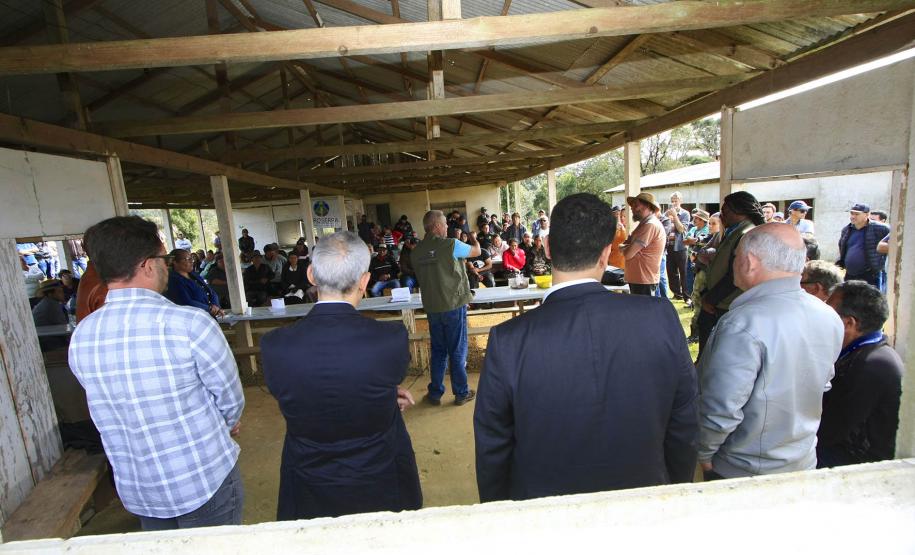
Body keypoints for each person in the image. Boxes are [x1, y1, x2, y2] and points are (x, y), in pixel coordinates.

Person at [474, 193, 697, 502]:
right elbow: (684, 422)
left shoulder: (508, 340)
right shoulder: (659, 317)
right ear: (607, 254)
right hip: (645, 500)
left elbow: (493, 447)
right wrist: (672, 487)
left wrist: (501, 513)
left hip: (543, 512)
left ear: (548, 247)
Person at [69, 216, 244, 530]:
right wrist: (223, 427)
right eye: (164, 258)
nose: (167, 265)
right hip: (203, 479)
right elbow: (230, 401)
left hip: (140, 489)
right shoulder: (190, 325)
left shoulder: (83, 336)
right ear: (148, 265)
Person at [260, 232, 421, 520]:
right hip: (381, 478)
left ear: (310, 274)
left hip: (309, 483)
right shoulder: (390, 339)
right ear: (364, 281)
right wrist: (381, 397)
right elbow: (363, 379)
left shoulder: (275, 346)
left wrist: (380, 395)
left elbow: (306, 392)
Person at [697, 224, 842, 480]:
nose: (733, 264)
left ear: (749, 262)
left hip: (743, 468)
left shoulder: (743, 324)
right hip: (802, 459)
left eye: (735, 257)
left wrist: (702, 455)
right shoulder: (827, 315)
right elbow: (822, 385)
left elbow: (721, 407)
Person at [818, 281, 903, 467]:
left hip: (859, 462)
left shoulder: (871, 365)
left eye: (828, 313)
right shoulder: (865, 352)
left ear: (849, 323)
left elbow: (828, 432)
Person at [413, 210, 481, 406]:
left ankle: (435, 393)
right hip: (453, 304)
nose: (446, 228)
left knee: (439, 351)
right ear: (436, 226)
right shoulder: (451, 245)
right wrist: (474, 239)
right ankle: (461, 392)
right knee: (457, 350)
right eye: (444, 224)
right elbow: (476, 252)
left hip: (433, 308)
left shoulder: (416, 251)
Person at [697, 191, 765, 357]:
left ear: (740, 211)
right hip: (720, 302)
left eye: (726, 211)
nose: (722, 215)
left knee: (715, 351)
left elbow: (734, 275)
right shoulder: (735, 232)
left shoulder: (745, 235)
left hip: (726, 303)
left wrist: (709, 299)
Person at [620, 193, 665, 296]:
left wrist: (626, 248)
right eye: (632, 205)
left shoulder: (650, 225)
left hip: (644, 280)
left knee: (644, 310)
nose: (632, 208)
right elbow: (624, 245)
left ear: (648, 206)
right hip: (640, 279)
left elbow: (628, 254)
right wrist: (627, 247)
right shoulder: (643, 224)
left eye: (636, 205)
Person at [836, 203, 890, 287]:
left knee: (870, 299)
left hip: (870, 275)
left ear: (867, 214)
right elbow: (842, 247)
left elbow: (892, 243)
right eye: (852, 213)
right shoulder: (846, 230)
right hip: (850, 275)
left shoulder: (881, 228)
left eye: (857, 214)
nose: (853, 216)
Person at [664, 192, 691, 301]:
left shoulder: (685, 214)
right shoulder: (666, 213)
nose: (674, 203)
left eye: (676, 200)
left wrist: (675, 216)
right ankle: (677, 294)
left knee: (683, 272)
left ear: (681, 201)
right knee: (671, 272)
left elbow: (681, 229)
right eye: (672, 201)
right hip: (669, 246)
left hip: (680, 247)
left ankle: (686, 296)